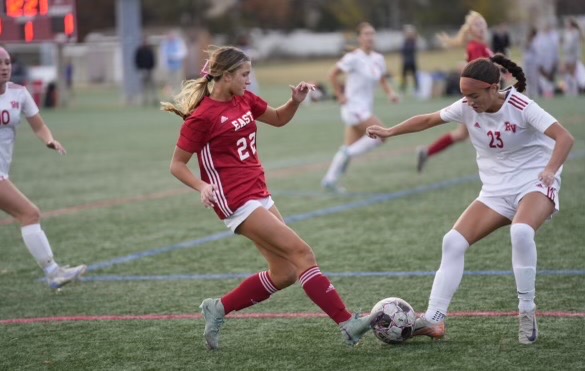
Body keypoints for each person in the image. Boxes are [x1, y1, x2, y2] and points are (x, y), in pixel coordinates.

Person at [161, 46, 381, 350]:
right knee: (303, 253)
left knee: (286, 272)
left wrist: (295, 101)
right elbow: (176, 164)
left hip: (258, 191)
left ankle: (219, 307)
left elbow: (277, 118)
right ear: (225, 76)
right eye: (244, 75)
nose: (249, 80)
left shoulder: (244, 99)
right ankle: (348, 323)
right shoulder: (202, 117)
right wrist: (201, 186)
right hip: (234, 199)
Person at [366, 54, 574, 345]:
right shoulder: (466, 107)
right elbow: (427, 119)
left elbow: (565, 137)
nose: (468, 102)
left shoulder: (522, 106)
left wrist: (550, 170)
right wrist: (390, 131)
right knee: (452, 241)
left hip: (534, 184)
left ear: (493, 87)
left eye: (474, 95)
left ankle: (526, 311)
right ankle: (435, 319)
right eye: (464, 95)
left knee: (521, 231)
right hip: (495, 192)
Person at [0, 47, 87, 289]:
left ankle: (53, 271)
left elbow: (38, 126)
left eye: (7, 62)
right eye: (0, 63)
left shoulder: (19, 94)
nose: (4, 66)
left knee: (28, 214)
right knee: (29, 213)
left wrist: (49, 139)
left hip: (2, 171)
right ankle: (52, 272)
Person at [321, 22, 399, 193]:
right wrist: (340, 95)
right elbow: (332, 74)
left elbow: (382, 79)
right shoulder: (353, 57)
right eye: (366, 34)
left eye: (372, 33)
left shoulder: (378, 58)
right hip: (354, 108)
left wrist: (390, 93)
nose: (370, 37)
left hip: (365, 108)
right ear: (359, 38)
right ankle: (344, 159)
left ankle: (330, 180)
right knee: (382, 135)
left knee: (348, 147)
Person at [416, 11, 493, 173]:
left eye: (482, 23)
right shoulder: (476, 47)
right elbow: (480, 70)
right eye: (477, 25)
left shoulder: (483, 46)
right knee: (489, 129)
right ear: (470, 31)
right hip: (478, 98)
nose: (481, 27)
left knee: (461, 135)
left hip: (479, 96)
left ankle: (427, 152)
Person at [561, 18, 583, 96]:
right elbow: (565, 44)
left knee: (573, 73)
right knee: (567, 73)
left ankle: (574, 90)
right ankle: (569, 90)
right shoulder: (567, 33)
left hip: (573, 56)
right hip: (567, 56)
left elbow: (573, 46)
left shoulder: (575, 33)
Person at [161, 30, 188, 96]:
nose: (170, 37)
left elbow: (184, 53)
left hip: (178, 66)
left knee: (178, 82)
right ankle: (170, 96)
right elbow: (163, 55)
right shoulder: (165, 44)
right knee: (169, 83)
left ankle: (178, 95)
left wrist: (174, 56)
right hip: (169, 67)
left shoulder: (179, 43)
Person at [134, 36, 158, 106]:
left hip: (150, 70)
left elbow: (153, 60)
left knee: (152, 86)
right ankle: (144, 100)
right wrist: (140, 68)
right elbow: (136, 61)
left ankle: (154, 99)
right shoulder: (139, 50)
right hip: (142, 70)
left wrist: (151, 67)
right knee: (143, 86)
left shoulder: (150, 50)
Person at [400, 24, 419, 93]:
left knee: (414, 76)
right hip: (405, 62)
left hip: (412, 61)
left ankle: (416, 89)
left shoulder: (413, 41)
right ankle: (403, 89)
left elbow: (412, 50)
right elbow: (402, 51)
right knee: (403, 76)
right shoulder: (405, 41)